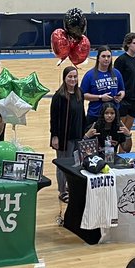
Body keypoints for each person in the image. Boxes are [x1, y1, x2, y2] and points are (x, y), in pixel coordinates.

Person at [50, 65, 85, 220]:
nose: (72, 79)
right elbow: (54, 118)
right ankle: (62, 191)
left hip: (77, 135)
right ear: (65, 78)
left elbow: (82, 114)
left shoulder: (79, 93)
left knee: (75, 163)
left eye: (75, 77)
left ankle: (71, 187)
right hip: (64, 136)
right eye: (70, 77)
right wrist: (54, 136)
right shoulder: (59, 96)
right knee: (63, 164)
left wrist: (84, 132)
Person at [82, 46, 126, 128]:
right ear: (98, 58)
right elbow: (83, 95)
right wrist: (100, 97)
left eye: (109, 56)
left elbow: (122, 90)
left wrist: (120, 96)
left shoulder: (116, 73)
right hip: (95, 114)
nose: (106, 59)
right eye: (103, 56)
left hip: (113, 115)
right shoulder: (89, 75)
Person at [114, 32, 135, 139]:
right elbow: (116, 80)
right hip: (124, 99)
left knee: (128, 130)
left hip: (134, 99)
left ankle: (124, 153)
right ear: (128, 44)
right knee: (120, 128)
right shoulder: (121, 60)